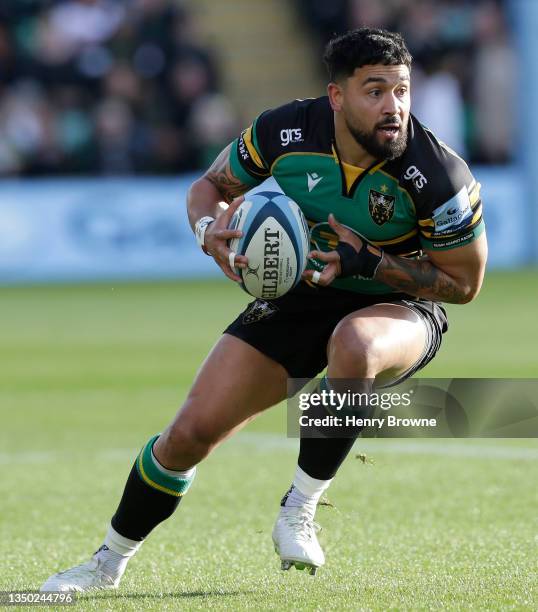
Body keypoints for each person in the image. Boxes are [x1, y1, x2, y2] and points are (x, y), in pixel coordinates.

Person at [41, 27, 487, 590]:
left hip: (399, 304)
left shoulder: (439, 175)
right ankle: (104, 565)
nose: (393, 107)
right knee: (187, 436)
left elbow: (465, 285)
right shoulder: (285, 130)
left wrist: (372, 263)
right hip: (303, 295)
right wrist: (211, 232)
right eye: (375, 91)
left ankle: (299, 508)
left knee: (357, 344)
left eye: (401, 91)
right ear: (337, 97)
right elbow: (209, 187)